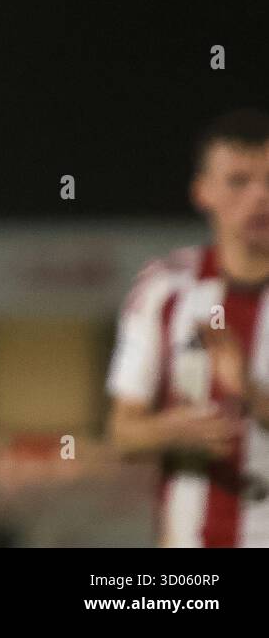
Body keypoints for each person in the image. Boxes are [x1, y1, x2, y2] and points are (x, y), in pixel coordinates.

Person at [106, 108, 269, 546]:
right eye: (239, 181)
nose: (259, 197)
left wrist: (250, 393)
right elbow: (122, 432)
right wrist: (173, 430)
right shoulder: (165, 288)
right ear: (203, 192)